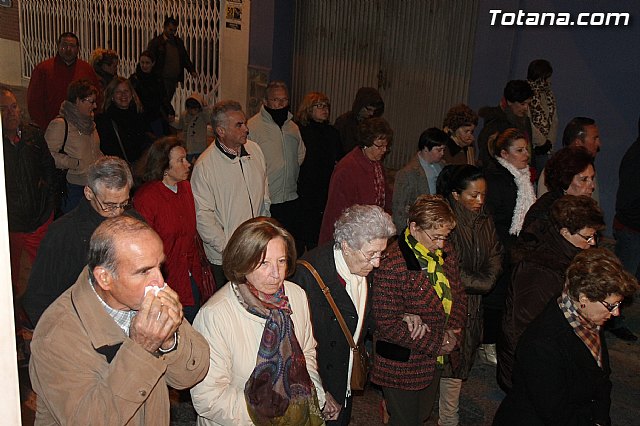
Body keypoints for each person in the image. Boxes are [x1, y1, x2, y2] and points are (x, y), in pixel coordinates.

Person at [29, 215, 210, 425]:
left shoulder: (142, 300)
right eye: (144, 271)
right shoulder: (56, 335)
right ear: (105, 278)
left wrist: (170, 341)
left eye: (159, 266)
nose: (160, 281)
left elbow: (190, 375)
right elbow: (91, 420)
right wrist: (142, 348)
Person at [190, 217, 325, 425]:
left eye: (281, 261)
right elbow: (208, 398)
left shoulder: (295, 296)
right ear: (242, 263)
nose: (276, 274)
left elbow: (307, 351)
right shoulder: (215, 316)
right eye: (264, 264)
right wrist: (273, 415)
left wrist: (311, 398)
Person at [493, 248, 638, 426]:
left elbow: (601, 377)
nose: (616, 313)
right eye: (611, 305)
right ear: (584, 298)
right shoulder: (543, 343)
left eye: (619, 304)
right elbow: (555, 412)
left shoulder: (587, 318)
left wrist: (601, 418)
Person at [291, 205, 406, 424]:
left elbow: (365, 317)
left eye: (381, 253)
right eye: (371, 254)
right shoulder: (307, 275)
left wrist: (402, 315)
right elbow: (296, 345)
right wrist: (320, 391)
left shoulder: (363, 269)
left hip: (346, 375)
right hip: (320, 379)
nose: (377, 263)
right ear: (346, 246)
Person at [371, 195, 467, 426]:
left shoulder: (445, 252)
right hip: (401, 363)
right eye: (435, 237)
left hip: (434, 356)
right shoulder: (393, 263)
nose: (441, 244)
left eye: (445, 236)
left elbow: (458, 293)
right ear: (414, 227)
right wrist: (438, 342)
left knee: (423, 414)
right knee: (406, 420)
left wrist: (453, 331)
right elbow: (387, 324)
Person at [498, 195, 605, 392]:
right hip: (532, 365)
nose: (592, 243)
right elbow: (521, 327)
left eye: (594, 236)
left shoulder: (568, 257)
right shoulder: (540, 270)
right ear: (565, 232)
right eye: (587, 237)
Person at [23, 156, 133, 326]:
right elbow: (37, 297)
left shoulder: (134, 222)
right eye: (109, 205)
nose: (117, 212)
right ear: (89, 193)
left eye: (124, 203)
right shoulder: (62, 234)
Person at [436, 165, 503, 426]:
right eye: (473, 195)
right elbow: (450, 268)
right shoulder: (447, 224)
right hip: (452, 303)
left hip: (474, 304)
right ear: (455, 195)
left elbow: (496, 252)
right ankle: (448, 417)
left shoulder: (484, 218)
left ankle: (446, 413)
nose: (480, 201)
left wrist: (488, 279)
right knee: (450, 361)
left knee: (462, 358)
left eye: (483, 195)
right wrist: (483, 283)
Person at [191, 100, 270, 287]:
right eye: (239, 125)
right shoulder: (205, 166)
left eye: (245, 123)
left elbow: (264, 192)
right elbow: (203, 217)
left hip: (256, 246)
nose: (246, 129)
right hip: (225, 256)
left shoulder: (255, 150)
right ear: (221, 131)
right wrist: (229, 248)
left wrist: (264, 229)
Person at [134, 137, 205, 323]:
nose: (188, 164)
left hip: (190, 276)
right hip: (164, 280)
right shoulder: (146, 198)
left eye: (186, 158)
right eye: (180, 160)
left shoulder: (186, 188)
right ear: (164, 167)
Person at [481, 128, 536, 365]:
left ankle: (496, 339)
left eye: (526, 149)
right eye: (519, 150)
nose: (526, 154)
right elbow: (491, 217)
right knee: (494, 298)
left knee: (506, 297)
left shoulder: (522, 178)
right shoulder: (497, 179)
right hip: (499, 246)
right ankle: (487, 342)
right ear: (504, 153)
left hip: (513, 246)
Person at [1, 86, 56, 297]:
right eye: (3, 109)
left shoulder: (33, 135)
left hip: (40, 219)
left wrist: (47, 203)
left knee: (42, 273)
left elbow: (48, 168)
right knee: (18, 280)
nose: (11, 113)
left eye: (13, 106)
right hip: (14, 225)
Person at [248, 81, 306, 245]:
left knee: (290, 245)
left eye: (284, 100)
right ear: (265, 102)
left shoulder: (293, 127)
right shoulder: (253, 127)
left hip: (290, 196)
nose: (281, 104)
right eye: (276, 100)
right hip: (268, 199)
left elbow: (300, 154)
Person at [319, 117, 393, 244]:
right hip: (353, 236)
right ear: (365, 143)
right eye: (379, 146)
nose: (384, 150)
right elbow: (336, 211)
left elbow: (385, 196)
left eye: (386, 146)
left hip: (372, 232)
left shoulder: (376, 164)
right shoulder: (347, 168)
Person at [45, 78, 103, 213]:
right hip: (72, 188)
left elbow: (94, 151)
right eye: (91, 101)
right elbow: (47, 155)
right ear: (77, 101)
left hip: (92, 185)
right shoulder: (60, 124)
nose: (94, 106)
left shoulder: (90, 125)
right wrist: (74, 163)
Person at [294, 91, 343, 250]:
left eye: (326, 106)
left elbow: (339, 159)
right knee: (302, 231)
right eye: (319, 106)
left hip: (325, 187)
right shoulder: (300, 130)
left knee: (319, 231)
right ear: (308, 108)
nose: (324, 110)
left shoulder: (332, 132)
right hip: (304, 187)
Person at [27, 32, 100, 130]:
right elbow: (34, 102)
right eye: (64, 45)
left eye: (72, 46)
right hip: (52, 127)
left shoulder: (86, 70)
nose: (68, 49)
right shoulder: (43, 69)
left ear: (78, 48)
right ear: (58, 46)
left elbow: (97, 98)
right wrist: (44, 127)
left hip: (81, 129)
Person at [521, 146, 594, 235]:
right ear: (565, 180)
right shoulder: (546, 213)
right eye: (584, 179)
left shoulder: (586, 207)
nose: (592, 186)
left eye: (592, 178)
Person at [612, 114, 640, 342]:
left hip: (634, 227)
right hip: (631, 229)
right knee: (621, 280)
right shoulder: (636, 156)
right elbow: (626, 200)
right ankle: (613, 320)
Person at [393, 127, 448, 232]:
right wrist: (405, 232)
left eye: (443, 150)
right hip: (419, 226)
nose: (442, 153)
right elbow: (399, 209)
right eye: (438, 150)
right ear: (426, 148)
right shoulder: (407, 173)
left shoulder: (442, 165)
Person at [538, 116, 602, 200]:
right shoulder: (554, 171)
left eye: (591, 178)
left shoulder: (589, 169)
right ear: (578, 143)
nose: (599, 144)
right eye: (595, 138)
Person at [95, 76, 153, 167]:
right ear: (112, 96)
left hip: (139, 167)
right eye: (118, 92)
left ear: (132, 94)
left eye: (126, 91)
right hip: (117, 168)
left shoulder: (140, 115)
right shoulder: (104, 120)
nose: (123, 95)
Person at [477, 80, 533, 168]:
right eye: (522, 104)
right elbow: (486, 156)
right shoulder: (495, 123)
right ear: (510, 102)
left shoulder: (525, 122)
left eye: (528, 104)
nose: (526, 108)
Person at [147, 16, 197, 101]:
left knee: (167, 99)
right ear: (165, 28)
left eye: (174, 30)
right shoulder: (156, 43)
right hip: (162, 79)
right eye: (170, 30)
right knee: (163, 100)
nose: (173, 33)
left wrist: (191, 70)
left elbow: (184, 57)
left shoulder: (178, 42)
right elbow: (150, 60)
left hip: (173, 79)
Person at [129, 50, 176, 137]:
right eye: (142, 62)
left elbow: (163, 97)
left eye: (147, 63)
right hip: (140, 116)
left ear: (153, 63)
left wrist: (170, 110)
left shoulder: (157, 79)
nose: (144, 65)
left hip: (154, 116)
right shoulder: (134, 79)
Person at [527, 59, 557, 172]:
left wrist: (549, 142)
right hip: (533, 146)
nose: (549, 80)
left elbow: (554, 120)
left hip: (547, 148)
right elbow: (527, 120)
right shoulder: (527, 92)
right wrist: (541, 142)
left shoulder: (549, 94)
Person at [334, 86, 385, 153]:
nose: (371, 113)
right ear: (360, 106)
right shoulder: (343, 122)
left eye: (374, 110)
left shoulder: (373, 124)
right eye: (369, 109)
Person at [171, 93, 211, 163]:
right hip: (188, 144)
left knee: (201, 162)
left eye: (195, 109)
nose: (192, 111)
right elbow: (180, 126)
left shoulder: (202, 116)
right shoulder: (184, 115)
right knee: (186, 162)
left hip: (199, 145)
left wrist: (205, 107)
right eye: (190, 109)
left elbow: (209, 119)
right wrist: (172, 122)